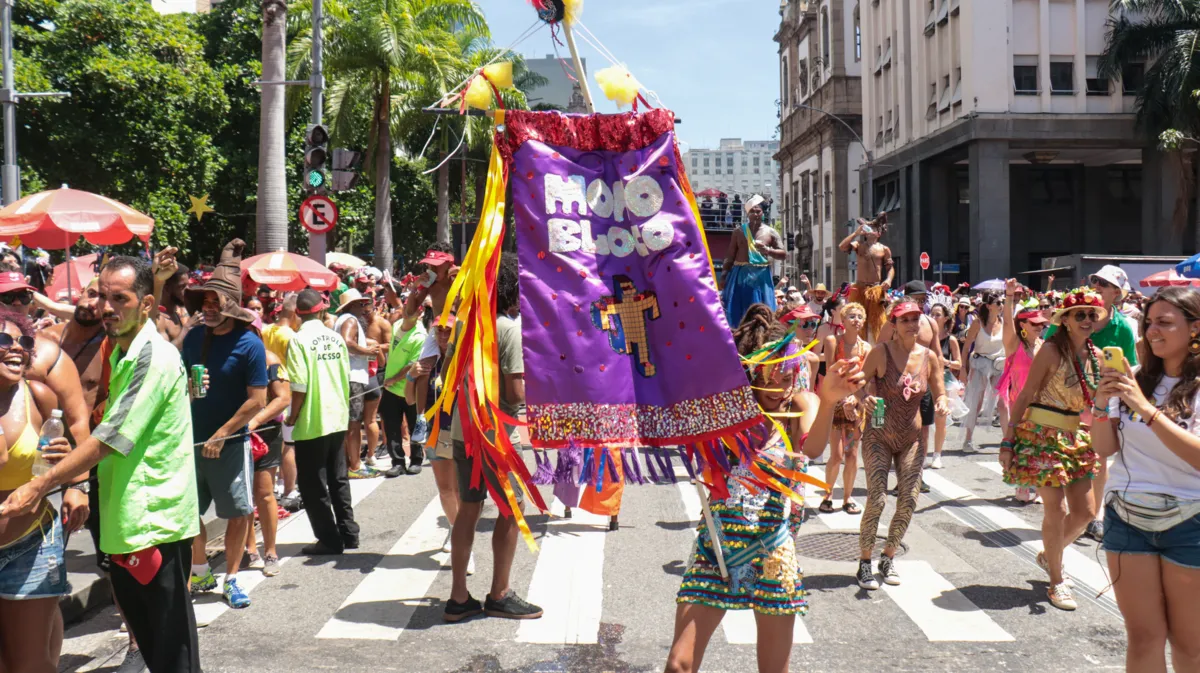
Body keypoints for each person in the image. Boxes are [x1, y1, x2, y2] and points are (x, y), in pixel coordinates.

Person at [1, 255, 203, 672]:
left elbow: (112, 438)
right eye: (102, 295)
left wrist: (42, 484)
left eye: (120, 298)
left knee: (171, 653)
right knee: (152, 644)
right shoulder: (122, 351)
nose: (106, 307)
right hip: (124, 525)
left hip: (153, 526)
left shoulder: (152, 356)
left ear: (145, 305)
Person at [665, 303, 865, 673]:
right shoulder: (726, 410)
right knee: (679, 665)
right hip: (717, 549)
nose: (779, 387)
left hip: (773, 552)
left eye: (786, 376)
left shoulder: (802, 404)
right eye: (768, 377)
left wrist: (831, 399)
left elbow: (813, 447)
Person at [1092, 286, 1200, 671]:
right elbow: (1104, 449)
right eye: (1150, 322)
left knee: (1190, 645)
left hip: (1191, 521)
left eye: (1165, 323)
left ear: (1195, 329)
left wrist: (1145, 409)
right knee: (1143, 638)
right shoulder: (1135, 378)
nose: (1152, 332)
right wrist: (1101, 404)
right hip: (1127, 517)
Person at [444, 257, 541, 623]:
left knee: (468, 510)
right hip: (496, 437)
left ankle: (458, 597)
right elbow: (515, 394)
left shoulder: (467, 326)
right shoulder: (508, 329)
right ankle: (499, 593)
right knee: (512, 511)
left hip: (463, 430)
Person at [1000, 287, 1104, 611]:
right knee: (1055, 510)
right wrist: (1008, 440)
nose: (1087, 319)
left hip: (1076, 436)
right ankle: (1056, 581)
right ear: (1067, 320)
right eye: (1080, 314)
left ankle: (1050, 554)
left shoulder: (1098, 357)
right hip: (1042, 434)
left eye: (1091, 314)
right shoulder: (1050, 351)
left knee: (1086, 513)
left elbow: (1097, 402)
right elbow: (1026, 392)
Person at [181, 240, 267, 609]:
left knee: (238, 513)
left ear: (232, 305)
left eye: (216, 302)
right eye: (205, 302)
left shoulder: (250, 343)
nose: (209, 309)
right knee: (186, 513)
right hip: (189, 443)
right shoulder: (194, 337)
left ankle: (232, 578)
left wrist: (222, 433)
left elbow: (258, 400)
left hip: (230, 445)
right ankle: (200, 569)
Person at [856, 300, 948, 590]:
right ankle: (864, 563)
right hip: (878, 434)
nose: (911, 324)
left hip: (910, 439)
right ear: (893, 325)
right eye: (904, 319)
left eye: (915, 318)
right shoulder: (881, 352)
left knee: (909, 499)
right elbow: (858, 382)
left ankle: (888, 556)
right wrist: (862, 398)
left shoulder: (929, 356)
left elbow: (939, 390)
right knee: (878, 499)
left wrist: (944, 402)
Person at [0, 307, 73, 673]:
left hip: (30, 543)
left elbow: (57, 464)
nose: (17, 349)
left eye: (23, 341)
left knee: (28, 665)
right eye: (4, 340)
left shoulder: (39, 397)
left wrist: (64, 463)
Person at [1043, 265, 1139, 542]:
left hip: (1101, 401)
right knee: (1063, 458)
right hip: (1063, 400)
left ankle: (1093, 516)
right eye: (1095, 280)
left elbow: (1130, 367)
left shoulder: (1122, 327)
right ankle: (1063, 518)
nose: (1096, 285)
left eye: (1104, 283)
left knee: (1099, 459)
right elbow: (1049, 345)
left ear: (1116, 294)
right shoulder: (1071, 313)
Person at [285, 289, 359, 556]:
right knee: (338, 478)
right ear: (321, 310)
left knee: (313, 485)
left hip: (312, 421)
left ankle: (329, 538)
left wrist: (291, 417)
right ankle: (349, 533)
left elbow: (299, 385)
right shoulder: (335, 338)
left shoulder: (299, 340)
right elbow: (346, 375)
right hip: (337, 416)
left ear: (298, 313)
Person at [244, 319, 290, 578]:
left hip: (266, 432)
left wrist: (255, 421)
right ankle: (250, 549)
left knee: (264, 493)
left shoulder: (270, 359)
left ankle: (270, 550)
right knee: (242, 495)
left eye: (249, 331)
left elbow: (283, 398)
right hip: (237, 431)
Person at [997, 279, 1049, 502]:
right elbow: (1008, 323)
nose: (1040, 327)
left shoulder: (1044, 345)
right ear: (1023, 325)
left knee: (1039, 445)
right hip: (1019, 402)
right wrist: (1009, 297)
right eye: (1035, 324)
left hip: (1042, 403)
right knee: (1020, 444)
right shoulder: (1014, 344)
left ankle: (1036, 485)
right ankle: (1021, 484)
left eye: (1041, 324)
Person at [819, 301, 869, 513]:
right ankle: (827, 494)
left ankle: (847, 499)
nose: (856, 320)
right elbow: (829, 375)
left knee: (851, 454)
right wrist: (840, 399)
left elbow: (866, 378)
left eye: (859, 316)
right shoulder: (832, 341)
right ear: (843, 319)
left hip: (855, 407)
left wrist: (855, 400)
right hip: (835, 404)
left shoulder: (866, 348)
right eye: (852, 316)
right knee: (836, 454)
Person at [406, 244, 457, 444]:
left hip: (459, 330)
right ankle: (421, 419)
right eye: (430, 265)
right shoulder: (429, 284)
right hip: (438, 330)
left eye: (437, 265)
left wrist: (462, 278)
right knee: (423, 368)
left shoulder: (460, 279)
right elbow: (410, 311)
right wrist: (415, 288)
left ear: (449, 263)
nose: (433, 269)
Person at [380, 286, 428, 478]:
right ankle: (397, 462)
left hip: (410, 389)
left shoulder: (421, 335)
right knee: (391, 426)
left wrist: (392, 378)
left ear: (420, 313)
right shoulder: (397, 324)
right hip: (390, 389)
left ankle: (416, 459)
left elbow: (411, 365)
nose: (409, 311)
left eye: (413, 309)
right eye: (407, 307)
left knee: (415, 423)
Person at [333, 288, 380, 479]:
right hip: (353, 377)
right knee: (354, 423)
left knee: (351, 422)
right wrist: (368, 352)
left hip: (348, 376)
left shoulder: (341, 320)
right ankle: (355, 466)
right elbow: (347, 342)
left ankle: (350, 463)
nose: (364, 308)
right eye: (361, 304)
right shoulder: (350, 320)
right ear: (352, 305)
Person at [720, 195, 786, 327]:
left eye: (758, 211)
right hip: (740, 275)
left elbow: (783, 254)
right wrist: (723, 275)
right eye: (752, 211)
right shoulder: (738, 232)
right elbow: (730, 256)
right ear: (747, 213)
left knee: (763, 310)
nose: (755, 214)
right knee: (738, 313)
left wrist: (768, 250)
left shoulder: (771, 232)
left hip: (761, 276)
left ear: (762, 213)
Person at [262, 293, 301, 510]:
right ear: (295, 312)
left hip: (268, 396)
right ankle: (290, 489)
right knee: (288, 446)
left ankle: (274, 486)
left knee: (273, 444)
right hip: (288, 395)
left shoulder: (265, 330)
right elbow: (297, 371)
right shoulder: (292, 337)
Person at [838, 212, 894, 343]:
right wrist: (856, 233)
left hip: (876, 289)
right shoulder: (858, 246)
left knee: (876, 322)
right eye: (868, 228)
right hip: (859, 288)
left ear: (879, 233)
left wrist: (888, 280)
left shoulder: (884, 249)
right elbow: (842, 247)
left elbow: (890, 268)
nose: (870, 230)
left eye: (873, 228)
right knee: (857, 318)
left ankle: (875, 347)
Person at [961, 292, 1006, 452]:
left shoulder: (1004, 322)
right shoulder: (977, 324)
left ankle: (1008, 441)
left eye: (1002, 302)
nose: (1001, 306)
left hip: (999, 364)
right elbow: (966, 348)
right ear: (988, 306)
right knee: (976, 402)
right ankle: (968, 440)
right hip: (980, 364)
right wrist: (963, 370)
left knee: (1003, 403)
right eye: (998, 303)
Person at [927, 302, 961, 469]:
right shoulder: (924, 336)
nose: (933, 317)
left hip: (944, 380)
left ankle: (937, 454)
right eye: (931, 314)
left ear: (945, 318)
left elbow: (959, 364)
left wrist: (945, 361)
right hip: (925, 379)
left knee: (940, 417)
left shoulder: (951, 339)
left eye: (937, 314)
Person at [362, 301, 391, 469]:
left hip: (379, 369)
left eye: (368, 312)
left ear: (374, 309)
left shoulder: (382, 323)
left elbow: (390, 344)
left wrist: (373, 346)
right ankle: (369, 447)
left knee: (380, 411)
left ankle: (385, 443)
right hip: (364, 369)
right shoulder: (359, 323)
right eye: (363, 312)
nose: (365, 315)